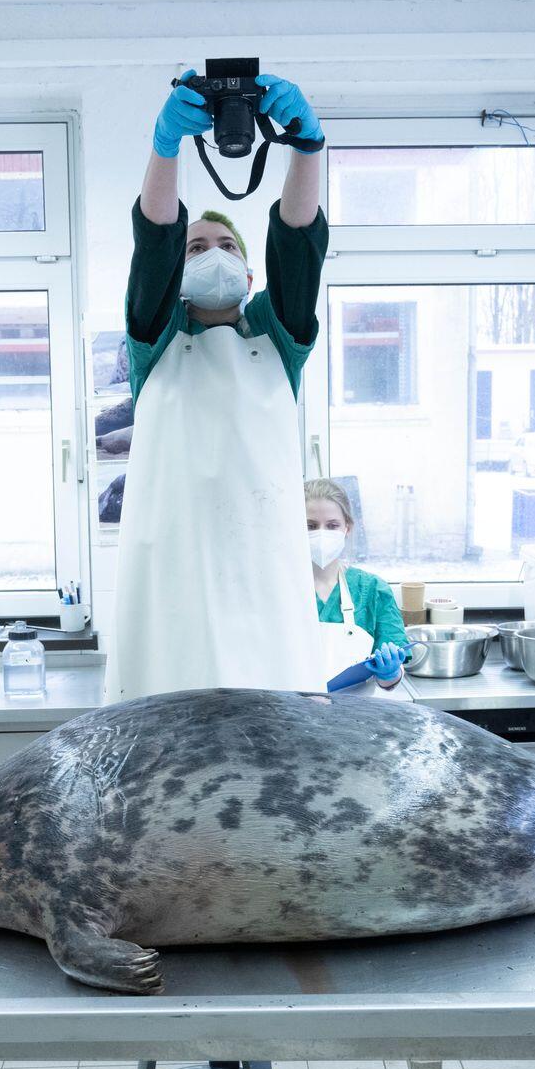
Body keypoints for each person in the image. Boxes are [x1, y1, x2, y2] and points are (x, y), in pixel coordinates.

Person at [110, 69, 331, 700]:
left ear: (250, 273)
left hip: (262, 580)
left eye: (227, 245)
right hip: (172, 584)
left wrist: (306, 147)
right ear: (177, 276)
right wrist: (166, 148)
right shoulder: (155, 339)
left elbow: (297, 243)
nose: (212, 253)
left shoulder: (276, 338)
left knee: (271, 728)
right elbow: (154, 241)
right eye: (196, 247)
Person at [306, 478, 412, 692]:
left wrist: (390, 672)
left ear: (348, 528)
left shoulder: (373, 590)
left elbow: (388, 682)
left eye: (332, 525)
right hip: (292, 711)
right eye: (311, 526)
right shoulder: (279, 592)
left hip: (356, 711)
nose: (322, 533)